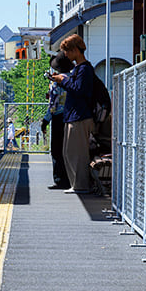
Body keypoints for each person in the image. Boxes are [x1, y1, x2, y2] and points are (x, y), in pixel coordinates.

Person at [49, 34, 94, 194]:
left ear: (75, 50)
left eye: (67, 51)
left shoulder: (84, 69)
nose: (66, 55)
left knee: (77, 153)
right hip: (73, 116)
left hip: (80, 116)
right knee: (69, 152)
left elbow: (79, 90)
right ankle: (76, 184)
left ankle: (81, 185)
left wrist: (63, 81)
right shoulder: (79, 69)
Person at [41, 51, 74, 190]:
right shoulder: (72, 78)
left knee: (56, 150)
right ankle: (70, 178)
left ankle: (60, 179)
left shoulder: (57, 82)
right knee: (69, 149)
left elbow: (53, 104)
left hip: (59, 118)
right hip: (73, 117)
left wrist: (45, 120)